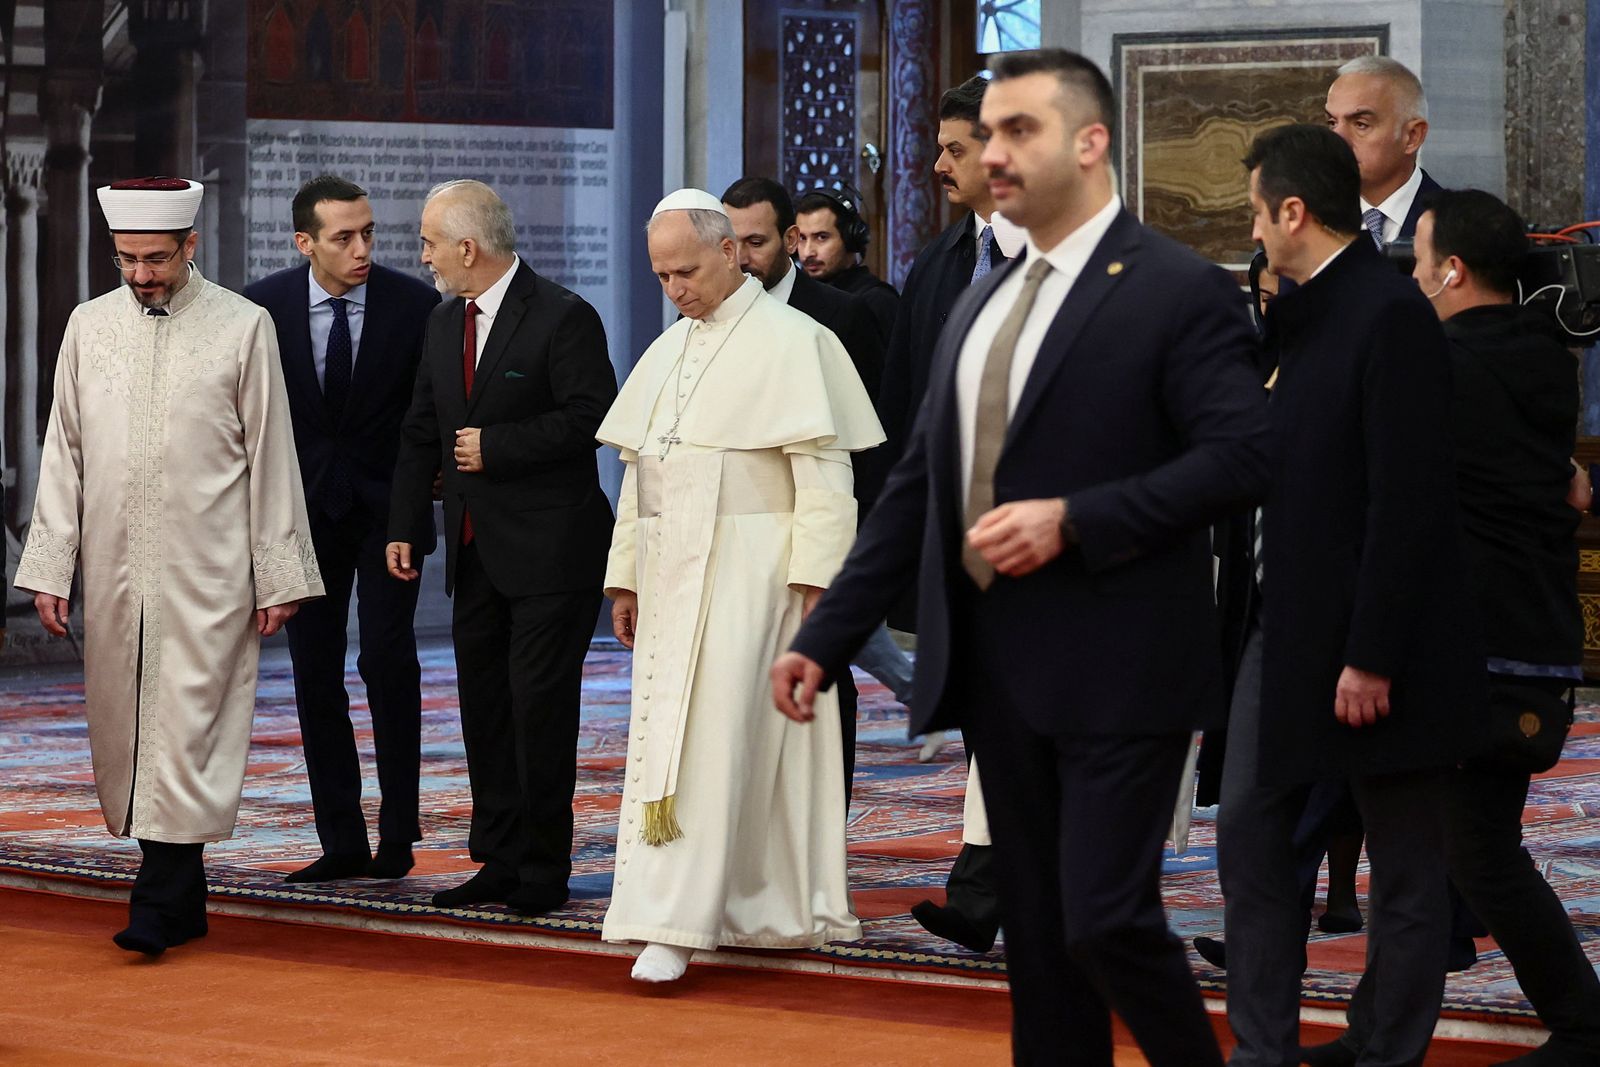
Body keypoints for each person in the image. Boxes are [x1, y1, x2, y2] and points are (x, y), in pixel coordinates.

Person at [775, 49, 1270, 1066]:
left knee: (1104, 919)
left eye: (1019, 132)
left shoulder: (1175, 288)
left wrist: (1073, 518)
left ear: (1091, 142)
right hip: (999, 667)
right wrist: (824, 634)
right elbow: (919, 484)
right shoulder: (980, 294)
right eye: (986, 134)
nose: (992, 154)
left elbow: (1244, 454)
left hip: (1123, 661)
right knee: (1040, 944)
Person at [15, 177, 324, 956]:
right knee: (128, 722)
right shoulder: (88, 326)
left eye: (157, 258)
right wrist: (52, 563)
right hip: (117, 569)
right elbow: (65, 453)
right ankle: (180, 899)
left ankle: (160, 897)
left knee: (188, 727)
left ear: (191, 246)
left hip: (210, 566)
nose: (143, 274)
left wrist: (276, 570)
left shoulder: (242, 326)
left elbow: (271, 453)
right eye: (127, 259)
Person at [1225, 124, 1479, 1067]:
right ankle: (1261, 1052)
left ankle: (1384, 1055)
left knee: (1405, 867)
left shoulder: (1387, 312)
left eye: (1255, 212)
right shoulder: (1291, 313)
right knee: (1251, 849)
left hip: (1381, 649)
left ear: (1292, 211)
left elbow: (1405, 499)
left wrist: (1369, 652)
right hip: (1278, 631)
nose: (1251, 230)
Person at [597, 189, 882, 984]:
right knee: (674, 742)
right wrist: (626, 579)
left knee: (729, 743)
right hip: (674, 570)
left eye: (685, 270)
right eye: (660, 276)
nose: (675, 289)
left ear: (731, 252)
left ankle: (701, 916)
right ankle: (694, 908)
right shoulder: (668, 350)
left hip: (759, 573)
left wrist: (821, 587)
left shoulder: (798, 342)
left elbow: (827, 478)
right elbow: (640, 477)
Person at [385, 179, 617, 916]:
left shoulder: (562, 316)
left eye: (428, 242)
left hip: (553, 554)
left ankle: (543, 868)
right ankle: (500, 857)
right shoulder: (440, 322)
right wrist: (403, 525)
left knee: (538, 710)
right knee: (485, 709)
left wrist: (499, 447)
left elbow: (592, 417)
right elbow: (423, 426)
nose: (421, 256)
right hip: (476, 551)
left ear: (467, 246)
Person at [1411, 191, 1600, 1064]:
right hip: (1529, 632)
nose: (1413, 273)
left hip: (1480, 637)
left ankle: (1583, 1020)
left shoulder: (1444, 365)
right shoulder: (1540, 355)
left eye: (1420, 258)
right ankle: (1386, 1023)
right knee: (1440, 844)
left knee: (1477, 848)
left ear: (1452, 269)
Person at [246, 175, 439, 883]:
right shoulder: (260, 309)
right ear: (305, 243)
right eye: (343, 237)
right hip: (301, 520)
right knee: (314, 675)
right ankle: (341, 841)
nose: (362, 249)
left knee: (389, 664)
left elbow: (428, 421)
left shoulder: (415, 306)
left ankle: (397, 836)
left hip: (388, 517)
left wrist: (417, 514)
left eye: (368, 233)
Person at [876, 73, 1013, 954]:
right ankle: (986, 895)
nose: (936, 166)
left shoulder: (1078, 260)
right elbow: (904, 409)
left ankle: (992, 894)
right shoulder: (935, 262)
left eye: (955, 149)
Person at [722, 176, 912, 797]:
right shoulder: (710, 314)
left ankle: (825, 830)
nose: (742, 257)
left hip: (821, 533)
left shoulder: (842, 315)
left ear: (790, 239)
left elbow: (870, 439)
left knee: (827, 679)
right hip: (739, 542)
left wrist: (854, 549)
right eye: (732, 242)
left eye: (756, 241)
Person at [1325, 55, 1441, 247]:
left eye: (1361, 124)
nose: (1337, 139)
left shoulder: (1463, 230)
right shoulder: (1310, 226)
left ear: (1412, 136)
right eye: (1332, 123)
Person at [794, 185, 900, 347]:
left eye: (821, 237)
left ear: (851, 238)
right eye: (802, 238)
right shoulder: (795, 296)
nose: (808, 252)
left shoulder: (878, 301)